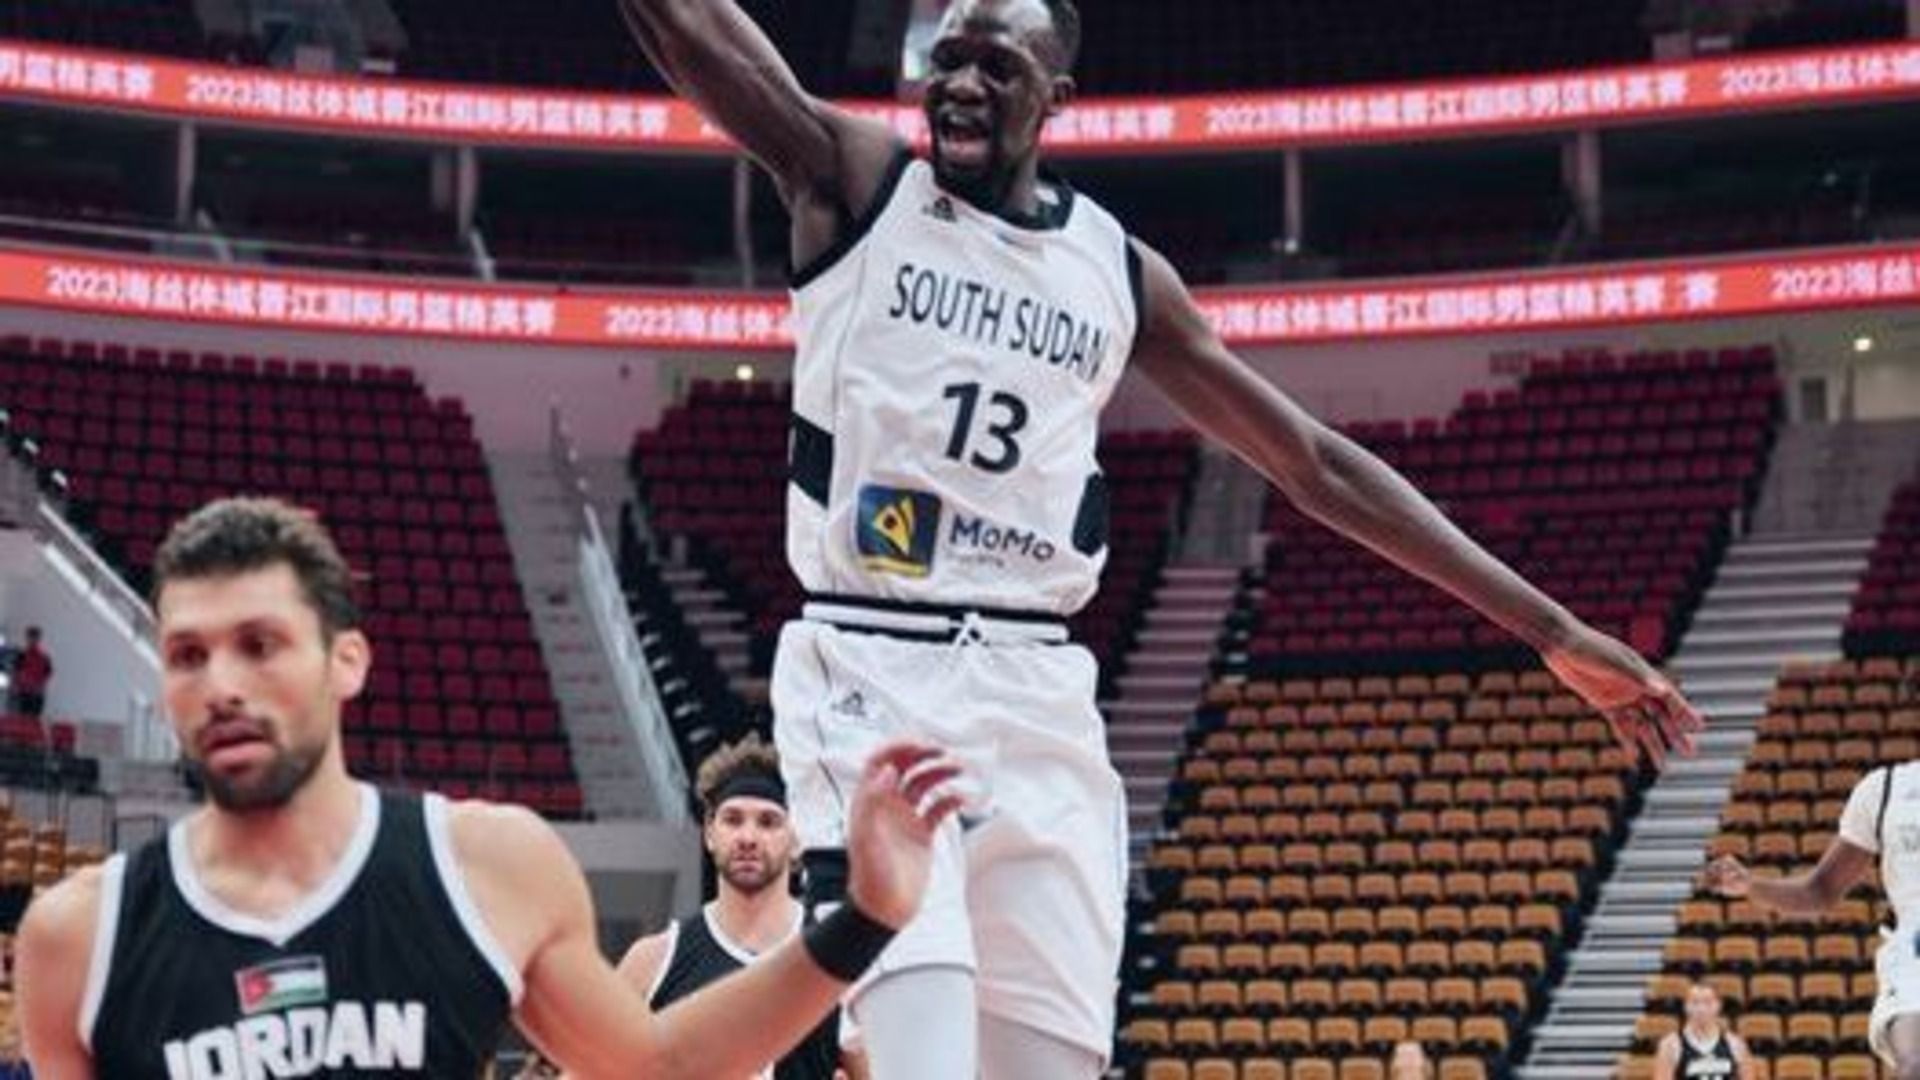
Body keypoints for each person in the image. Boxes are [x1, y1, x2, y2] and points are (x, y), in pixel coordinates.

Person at [616, 1, 1705, 1075]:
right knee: (923, 1056)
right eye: (945, 61)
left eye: (996, 67)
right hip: (874, 663)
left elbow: (1314, 464)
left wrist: (1552, 631)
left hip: (1039, 694)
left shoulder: (1118, 273)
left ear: (1056, 96)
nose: (960, 86)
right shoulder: (860, 183)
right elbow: (694, 35)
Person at [13, 497, 965, 1079]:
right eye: (187, 654)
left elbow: (660, 1064)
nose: (222, 683)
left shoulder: (482, 866)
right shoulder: (78, 936)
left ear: (348, 660)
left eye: (259, 645)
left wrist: (868, 917)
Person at [540, 734, 866, 1080]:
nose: (748, 837)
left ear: (797, 838)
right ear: (710, 833)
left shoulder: (837, 966)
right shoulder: (655, 961)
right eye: (733, 819)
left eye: (768, 821)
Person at [1704, 761, 1914, 1074]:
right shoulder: (1887, 787)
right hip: (1912, 953)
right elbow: (1820, 890)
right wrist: (1751, 885)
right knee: (1915, 1062)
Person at [1651, 982, 1755, 1080]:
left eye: (1707, 1002)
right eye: (1695, 1002)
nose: (1701, 1009)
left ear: (1718, 1006)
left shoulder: (1735, 1044)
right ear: (1686, 1007)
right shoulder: (1671, 1045)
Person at [10, 627, 51, 719]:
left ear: (38, 639)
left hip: (36, 694)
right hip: (23, 693)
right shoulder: (21, 656)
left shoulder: (44, 657)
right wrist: (17, 686)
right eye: (30, 637)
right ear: (27, 638)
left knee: (33, 720)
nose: (32, 640)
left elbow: (47, 674)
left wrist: (39, 686)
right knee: (22, 718)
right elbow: (16, 672)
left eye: (34, 637)